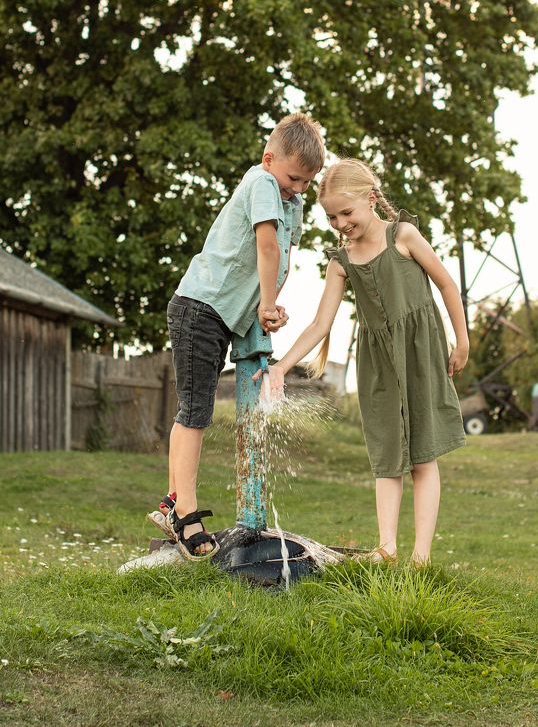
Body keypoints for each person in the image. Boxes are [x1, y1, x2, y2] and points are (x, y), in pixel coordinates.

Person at [265, 158, 469, 565]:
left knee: (423, 455)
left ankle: (422, 557)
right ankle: (387, 548)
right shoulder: (340, 263)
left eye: (346, 212)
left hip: (420, 353)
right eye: (331, 217)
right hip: (378, 365)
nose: (340, 223)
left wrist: (461, 340)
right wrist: (281, 365)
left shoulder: (403, 236)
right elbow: (320, 325)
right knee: (387, 456)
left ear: (371, 199)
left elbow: (447, 284)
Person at [150, 113, 325, 560]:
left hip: (222, 315)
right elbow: (266, 245)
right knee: (195, 412)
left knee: (195, 410)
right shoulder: (262, 182)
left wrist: (271, 305)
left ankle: (173, 504)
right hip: (200, 306)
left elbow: (281, 259)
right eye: (293, 178)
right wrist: (265, 304)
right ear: (269, 159)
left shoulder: (291, 201)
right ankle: (184, 513)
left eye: (307, 182)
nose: (298, 188)